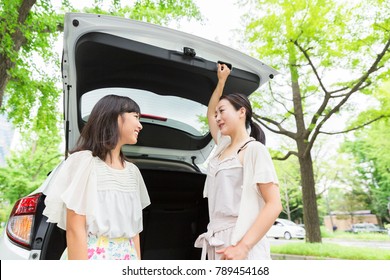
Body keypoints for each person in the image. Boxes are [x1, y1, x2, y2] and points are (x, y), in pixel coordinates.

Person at [43, 94, 150, 260]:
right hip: (91, 256)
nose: (140, 125)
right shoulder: (85, 162)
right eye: (136, 117)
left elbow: (134, 232)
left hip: (127, 256)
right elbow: (75, 228)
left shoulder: (133, 172)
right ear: (114, 117)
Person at [195, 63, 282, 260]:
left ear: (241, 112)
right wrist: (221, 82)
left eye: (222, 111)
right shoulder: (222, 146)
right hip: (218, 241)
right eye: (217, 114)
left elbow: (274, 204)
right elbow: (209, 113)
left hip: (242, 240)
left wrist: (243, 247)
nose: (217, 117)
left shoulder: (254, 150)